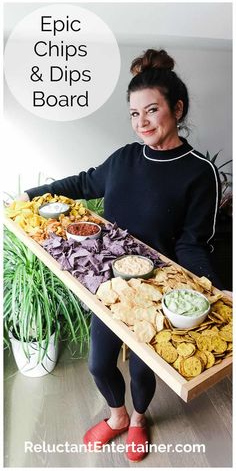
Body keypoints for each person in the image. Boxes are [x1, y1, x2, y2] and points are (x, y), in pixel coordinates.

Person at [19, 49, 226, 462]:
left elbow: (193, 241)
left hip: (157, 291)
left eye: (151, 110)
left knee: (141, 369)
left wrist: (213, 291)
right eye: (134, 114)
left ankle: (138, 419)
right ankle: (116, 416)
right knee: (98, 364)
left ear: (177, 108)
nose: (142, 122)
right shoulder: (125, 158)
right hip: (108, 286)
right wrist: (29, 195)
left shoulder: (198, 171)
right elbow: (82, 182)